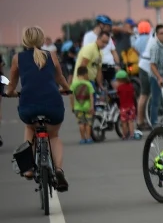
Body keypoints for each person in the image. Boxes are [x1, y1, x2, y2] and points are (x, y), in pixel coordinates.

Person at [7, 26, 72, 190]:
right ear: (42, 40)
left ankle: (28, 168)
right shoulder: (51, 56)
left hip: (28, 105)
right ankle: (58, 170)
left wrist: (11, 92)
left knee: (30, 127)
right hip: (53, 104)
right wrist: (67, 88)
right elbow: (60, 78)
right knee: (54, 136)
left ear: (24, 41)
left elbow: (12, 83)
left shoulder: (17, 58)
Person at [139, 24, 163, 126]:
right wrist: (159, 78)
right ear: (157, 35)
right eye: (161, 33)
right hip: (157, 77)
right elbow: (152, 65)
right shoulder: (155, 47)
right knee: (156, 101)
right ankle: (154, 124)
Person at [129, 20, 152, 127]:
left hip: (141, 66)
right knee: (148, 94)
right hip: (149, 66)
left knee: (143, 95)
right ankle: (146, 119)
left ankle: (140, 120)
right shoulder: (150, 38)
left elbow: (135, 50)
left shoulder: (136, 40)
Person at [76, 29, 109, 95]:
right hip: (83, 82)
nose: (104, 45)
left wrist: (100, 85)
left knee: (92, 103)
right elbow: (82, 66)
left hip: (91, 81)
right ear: (98, 39)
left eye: (106, 43)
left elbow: (98, 70)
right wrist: (86, 83)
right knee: (87, 104)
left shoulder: (100, 53)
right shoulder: (90, 48)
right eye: (103, 42)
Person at [71, 65, 95, 144]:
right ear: (85, 74)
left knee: (81, 123)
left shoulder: (74, 84)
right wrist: (92, 106)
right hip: (87, 107)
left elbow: (71, 96)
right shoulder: (88, 84)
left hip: (78, 107)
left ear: (77, 75)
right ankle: (88, 138)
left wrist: (72, 106)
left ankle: (82, 138)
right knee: (88, 123)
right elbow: (91, 97)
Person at [116, 70, 137, 139]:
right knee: (130, 121)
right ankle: (132, 134)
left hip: (123, 108)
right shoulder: (131, 86)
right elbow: (133, 95)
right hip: (131, 106)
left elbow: (118, 95)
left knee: (124, 122)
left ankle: (124, 135)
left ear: (119, 80)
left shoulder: (119, 88)